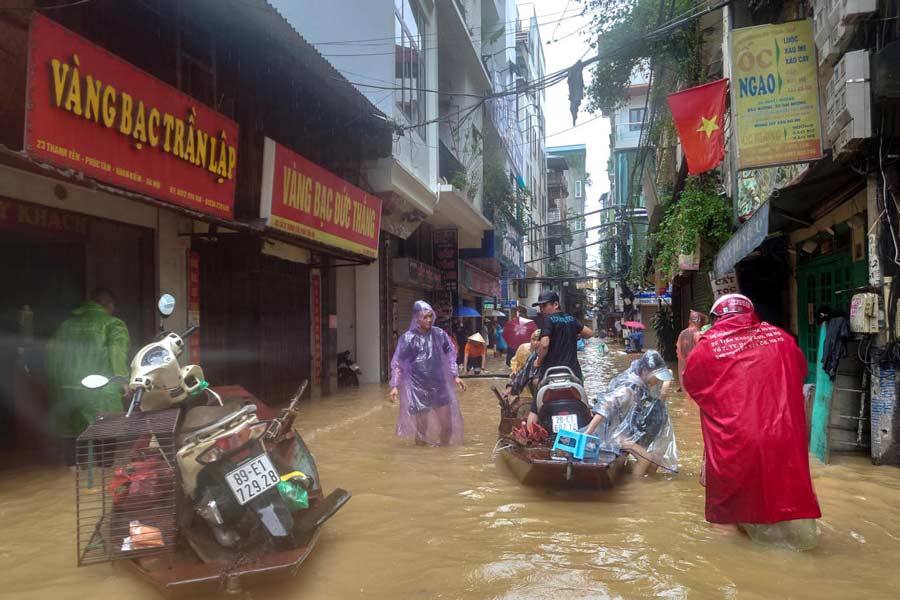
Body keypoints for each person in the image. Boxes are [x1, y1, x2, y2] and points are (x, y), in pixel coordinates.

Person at [682, 294, 821, 549]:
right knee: (783, 501)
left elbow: (693, 385)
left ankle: (734, 572)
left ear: (716, 317)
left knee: (727, 515)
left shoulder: (707, 345)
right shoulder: (781, 338)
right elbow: (799, 372)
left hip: (735, 441)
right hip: (784, 437)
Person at [45, 288, 131, 466]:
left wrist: (55, 384)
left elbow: (51, 355)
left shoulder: (65, 325)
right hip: (101, 390)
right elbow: (117, 352)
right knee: (107, 429)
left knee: (71, 432)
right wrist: (122, 379)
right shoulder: (113, 324)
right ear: (108, 305)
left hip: (66, 390)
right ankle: (103, 472)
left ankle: (71, 471)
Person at [584, 350, 678, 477]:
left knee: (655, 460)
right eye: (657, 376)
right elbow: (604, 407)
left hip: (627, 433)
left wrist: (665, 385)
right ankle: (635, 487)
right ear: (644, 371)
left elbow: (665, 385)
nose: (657, 380)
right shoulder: (628, 388)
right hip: (614, 435)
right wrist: (588, 432)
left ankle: (637, 478)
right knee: (646, 459)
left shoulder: (644, 384)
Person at [389, 301, 466, 446]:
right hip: (419, 389)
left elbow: (450, 354)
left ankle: (443, 455)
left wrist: (455, 375)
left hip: (439, 385)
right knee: (421, 431)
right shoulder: (408, 338)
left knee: (447, 426)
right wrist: (394, 385)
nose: (429, 320)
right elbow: (399, 363)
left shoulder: (439, 334)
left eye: (431, 316)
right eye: (425, 317)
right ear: (416, 317)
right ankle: (421, 461)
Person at [525, 291, 593, 426]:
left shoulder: (548, 320)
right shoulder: (571, 319)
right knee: (584, 404)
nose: (542, 310)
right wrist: (575, 335)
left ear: (556, 304)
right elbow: (590, 333)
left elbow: (544, 345)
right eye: (540, 307)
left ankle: (530, 438)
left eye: (544, 306)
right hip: (573, 373)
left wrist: (538, 361)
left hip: (550, 374)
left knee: (535, 409)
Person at [676, 310, 708, 392]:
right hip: (695, 375)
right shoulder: (699, 334)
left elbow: (680, 357)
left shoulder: (682, 334)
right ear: (701, 322)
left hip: (684, 375)